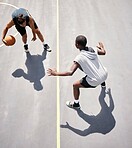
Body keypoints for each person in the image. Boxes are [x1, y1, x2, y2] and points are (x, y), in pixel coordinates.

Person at [47, 35, 108, 109]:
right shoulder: (93, 49)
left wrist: (55, 73)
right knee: (83, 67)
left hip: (95, 80)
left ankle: (76, 104)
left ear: (77, 45)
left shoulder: (79, 58)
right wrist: (101, 47)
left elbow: (70, 72)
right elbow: (103, 52)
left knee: (75, 85)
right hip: (104, 74)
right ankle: (103, 83)